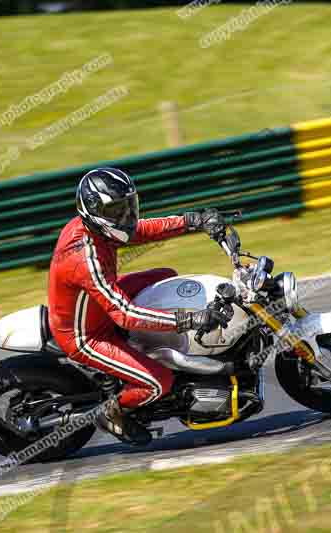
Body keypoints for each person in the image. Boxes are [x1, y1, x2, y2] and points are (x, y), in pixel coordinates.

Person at [48, 167, 230, 444]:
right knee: (159, 383)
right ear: (95, 211)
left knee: (165, 275)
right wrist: (190, 319)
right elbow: (125, 315)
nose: (126, 217)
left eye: (128, 206)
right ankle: (112, 413)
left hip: (99, 309)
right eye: (117, 210)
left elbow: (142, 230)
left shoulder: (102, 228)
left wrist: (194, 221)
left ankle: (153, 346)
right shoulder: (84, 259)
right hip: (86, 336)